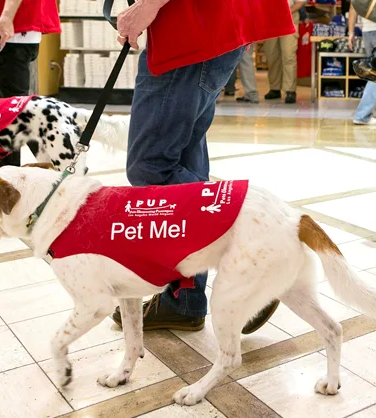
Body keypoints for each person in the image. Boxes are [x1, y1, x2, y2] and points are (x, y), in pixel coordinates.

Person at [112, 0, 296, 333]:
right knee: (183, 160)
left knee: (149, 165)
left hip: (192, 25)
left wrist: (146, 7)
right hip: (210, 21)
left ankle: (259, 263)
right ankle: (185, 297)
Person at [0, 0, 60, 168]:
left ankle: (7, 180)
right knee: (10, 110)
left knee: (8, 115)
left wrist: (6, 16)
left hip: (11, 30)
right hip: (14, 29)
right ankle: (59, 162)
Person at [263, 0, 306, 104]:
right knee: (272, 55)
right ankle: (275, 88)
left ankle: (290, 90)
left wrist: (286, 12)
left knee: (289, 55)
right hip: (270, 20)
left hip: (289, 18)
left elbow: (300, 2)